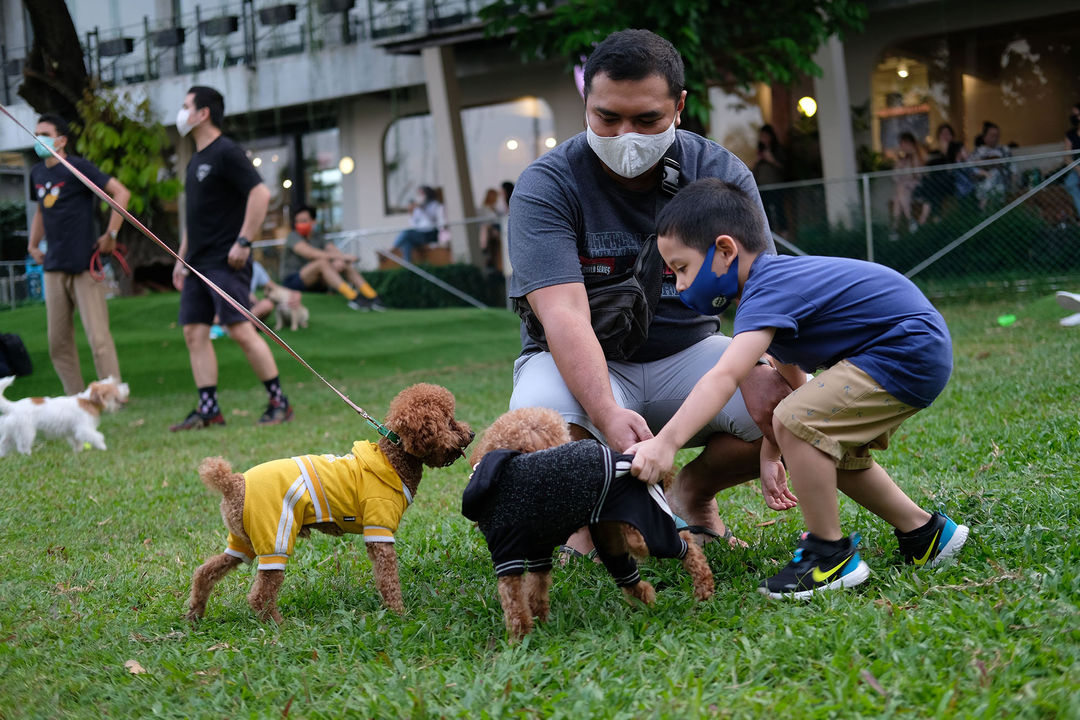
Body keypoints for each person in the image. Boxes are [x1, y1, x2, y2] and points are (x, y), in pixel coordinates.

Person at [507, 29, 791, 555]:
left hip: (689, 351)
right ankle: (589, 517)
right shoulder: (547, 184)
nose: (625, 135)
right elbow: (564, 315)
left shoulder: (720, 171)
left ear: (679, 106)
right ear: (585, 104)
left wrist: (757, 369)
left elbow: (765, 293)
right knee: (535, 429)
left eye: (646, 120)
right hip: (574, 358)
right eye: (607, 117)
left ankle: (694, 491)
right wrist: (606, 412)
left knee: (793, 404)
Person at [629, 178, 969, 598]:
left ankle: (830, 555)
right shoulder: (769, 289)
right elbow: (789, 369)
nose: (678, 285)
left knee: (798, 421)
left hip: (906, 348)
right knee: (820, 441)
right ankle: (926, 533)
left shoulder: (768, 287)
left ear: (724, 251)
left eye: (681, 268)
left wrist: (666, 443)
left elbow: (724, 376)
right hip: (909, 348)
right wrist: (774, 448)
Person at [170, 85, 293, 430]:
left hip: (226, 262)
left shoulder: (226, 152)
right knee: (194, 333)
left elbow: (261, 192)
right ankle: (209, 409)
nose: (181, 113)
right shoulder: (195, 159)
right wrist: (181, 259)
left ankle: (279, 403)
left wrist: (244, 241)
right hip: (196, 264)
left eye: (185, 106)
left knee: (240, 329)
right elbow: (193, 218)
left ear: (203, 112)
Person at [27, 113, 130, 396]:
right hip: (53, 267)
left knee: (98, 338)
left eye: (44, 134)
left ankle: (113, 397)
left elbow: (121, 193)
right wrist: (33, 245)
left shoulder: (77, 167)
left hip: (85, 265)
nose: (38, 139)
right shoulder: (37, 173)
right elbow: (40, 210)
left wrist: (111, 234)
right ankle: (75, 399)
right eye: (36, 133)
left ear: (61, 140)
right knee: (57, 343)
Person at [280, 204, 384, 310]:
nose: (299, 225)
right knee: (322, 262)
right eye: (297, 221)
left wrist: (340, 260)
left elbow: (333, 250)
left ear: (313, 221)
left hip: (316, 281)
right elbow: (311, 253)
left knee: (343, 265)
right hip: (292, 281)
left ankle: (373, 297)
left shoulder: (318, 237)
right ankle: (354, 297)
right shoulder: (293, 237)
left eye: (303, 221)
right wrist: (343, 257)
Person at [917, 123, 969, 224]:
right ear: (938, 136)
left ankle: (924, 217)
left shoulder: (957, 148)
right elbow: (926, 166)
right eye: (943, 133)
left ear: (952, 136)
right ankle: (934, 218)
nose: (945, 136)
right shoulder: (935, 152)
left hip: (954, 182)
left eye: (948, 133)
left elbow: (964, 162)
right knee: (933, 186)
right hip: (938, 184)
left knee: (933, 185)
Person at [751, 124, 788, 237]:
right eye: (762, 136)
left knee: (779, 210)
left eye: (765, 136)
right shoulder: (760, 151)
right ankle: (772, 237)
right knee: (766, 212)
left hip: (776, 186)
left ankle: (784, 234)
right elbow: (754, 171)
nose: (763, 139)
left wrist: (771, 159)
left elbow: (785, 167)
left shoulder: (778, 150)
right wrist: (757, 161)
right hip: (763, 186)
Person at [392, 185, 445, 263]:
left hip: (430, 233)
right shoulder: (418, 207)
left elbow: (431, 222)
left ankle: (392, 249)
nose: (419, 196)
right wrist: (411, 213)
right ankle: (408, 266)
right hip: (420, 233)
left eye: (421, 194)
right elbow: (414, 225)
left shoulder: (434, 205)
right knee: (406, 242)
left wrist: (422, 208)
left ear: (427, 194)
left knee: (406, 233)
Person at [969, 121, 1011, 209]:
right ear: (984, 137)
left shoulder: (1004, 150)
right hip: (982, 184)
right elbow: (972, 169)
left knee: (995, 173)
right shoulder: (978, 151)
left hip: (1002, 184)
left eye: (997, 136)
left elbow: (1011, 168)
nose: (995, 138)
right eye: (992, 135)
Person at [889, 131, 923, 237]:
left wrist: (906, 179)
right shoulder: (904, 159)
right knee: (898, 196)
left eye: (903, 144)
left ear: (909, 143)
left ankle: (896, 228)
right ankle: (909, 222)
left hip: (919, 187)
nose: (901, 146)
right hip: (905, 189)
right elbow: (895, 178)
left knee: (900, 192)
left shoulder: (918, 156)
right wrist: (899, 166)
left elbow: (919, 175)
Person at [478, 186, 508, 272]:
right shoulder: (485, 208)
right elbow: (486, 221)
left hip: (497, 228)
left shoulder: (495, 208)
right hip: (491, 230)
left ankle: (486, 248)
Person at [1063, 103, 1080, 222]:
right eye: (1074, 115)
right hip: (1077, 168)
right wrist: (1078, 169)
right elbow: (1067, 157)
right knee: (1070, 183)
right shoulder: (1070, 135)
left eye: (1078, 114)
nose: (1076, 117)